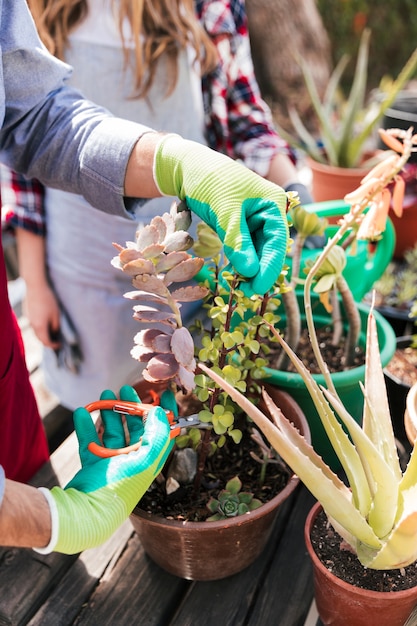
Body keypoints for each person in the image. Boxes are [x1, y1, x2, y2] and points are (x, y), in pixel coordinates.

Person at [0, 0, 290, 552]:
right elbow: (21, 173)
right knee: (102, 408)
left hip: (176, 264)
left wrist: (182, 163)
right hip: (81, 268)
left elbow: (33, 116)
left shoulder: (208, 8)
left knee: (179, 395)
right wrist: (48, 518)